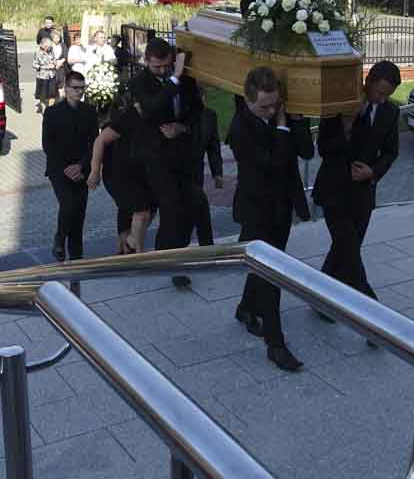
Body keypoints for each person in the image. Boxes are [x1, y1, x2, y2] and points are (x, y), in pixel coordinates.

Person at [227, 66, 314, 372]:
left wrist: (297, 122)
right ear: (248, 100)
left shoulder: (281, 114)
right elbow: (272, 167)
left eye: (275, 104)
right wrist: (281, 128)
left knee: (263, 267)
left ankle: (245, 308)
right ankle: (275, 344)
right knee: (271, 275)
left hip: (282, 206)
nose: (271, 111)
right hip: (257, 209)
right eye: (264, 106)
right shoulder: (240, 128)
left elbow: (307, 152)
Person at [313, 61, 401, 336]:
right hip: (334, 193)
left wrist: (372, 173)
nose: (382, 99)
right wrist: (347, 127)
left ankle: (319, 299)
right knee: (350, 252)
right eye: (379, 92)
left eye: (387, 95)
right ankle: (376, 317)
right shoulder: (341, 106)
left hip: (363, 195)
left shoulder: (390, 111)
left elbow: (391, 151)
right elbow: (323, 148)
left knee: (342, 251)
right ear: (368, 81)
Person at [127, 38, 207, 287]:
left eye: (167, 66)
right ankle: (170, 263)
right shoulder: (138, 82)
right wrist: (174, 78)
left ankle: (178, 251)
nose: (162, 71)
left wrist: (182, 127)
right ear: (146, 61)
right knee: (171, 207)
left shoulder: (185, 80)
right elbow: (152, 108)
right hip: (155, 155)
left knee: (193, 204)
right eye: (157, 67)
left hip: (183, 152)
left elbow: (198, 110)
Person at [87, 97, 155, 255]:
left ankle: (129, 246)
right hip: (119, 175)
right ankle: (135, 249)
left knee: (146, 210)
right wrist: (94, 172)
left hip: (139, 173)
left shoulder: (153, 114)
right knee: (142, 212)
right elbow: (100, 141)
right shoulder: (128, 117)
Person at [42, 71, 98, 263]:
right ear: (66, 88)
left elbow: (94, 142)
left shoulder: (90, 111)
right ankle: (59, 239)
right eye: (75, 88)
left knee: (79, 213)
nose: (79, 92)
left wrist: (81, 166)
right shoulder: (52, 112)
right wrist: (67, 167)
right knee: (68, 205)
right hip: (59, 169)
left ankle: (76, 255)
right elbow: (48, 145)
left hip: (81, 169)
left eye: (82, 88)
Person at [179, 88, 222, 247]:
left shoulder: (210, 115)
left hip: (197, 171)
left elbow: (213, 146)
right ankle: (206, 245)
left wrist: (217, 173)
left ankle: (188, 243)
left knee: (194, 210)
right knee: (200, 209)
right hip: (179, 171)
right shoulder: (181, 116)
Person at [32, 37, 63, 113]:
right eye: (46, 47)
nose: (48, 48)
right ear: (42, 45)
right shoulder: (37, 52)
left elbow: (54, 59)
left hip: (52, 75)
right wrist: (45, 67)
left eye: (49, 47)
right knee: (43, 96)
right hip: (42, 77)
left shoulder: (50, 50)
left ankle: (49, 110)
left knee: (53, 94)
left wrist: (56, 64)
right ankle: (44, 109)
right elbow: (34, 65)